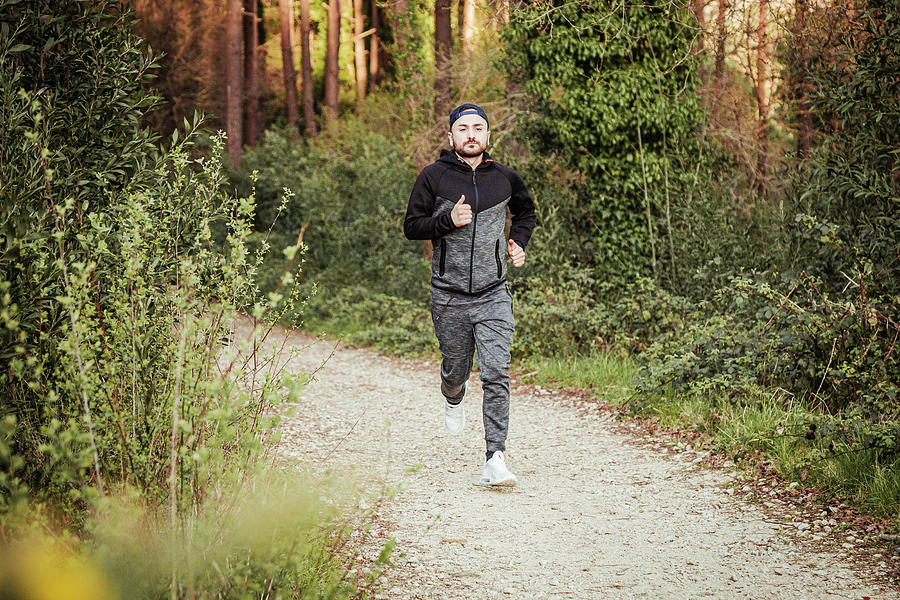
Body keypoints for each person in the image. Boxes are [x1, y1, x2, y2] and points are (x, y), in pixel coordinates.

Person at [403, 103, 536, 486]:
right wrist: (447, 221)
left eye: (479, 127)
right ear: (451, 137)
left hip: (494, 292)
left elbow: (526, 213)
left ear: (489, 135)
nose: (471, 134)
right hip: (449, 295)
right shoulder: (434, 177)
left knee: (496, 373)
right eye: (463, 129)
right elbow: (412, 226)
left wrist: (517, 240)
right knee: (456, 369)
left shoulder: (505, 179)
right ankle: (453, 393)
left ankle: (495, 457)